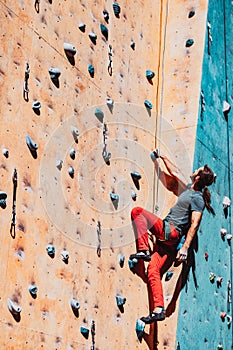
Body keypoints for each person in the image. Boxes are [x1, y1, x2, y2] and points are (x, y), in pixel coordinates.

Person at [129, 150, 215, 324]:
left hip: (170, 231)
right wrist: (161, 157)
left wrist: (185, 247)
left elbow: (195, 224)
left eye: (197, 171)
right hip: (166, 244)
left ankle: (143, 250)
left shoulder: (197, 198)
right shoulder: (188, 189)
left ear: (198, 178)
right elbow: (175, 172)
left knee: (137, 212)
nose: (194, 171)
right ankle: (159, 309)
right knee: (153, 271)